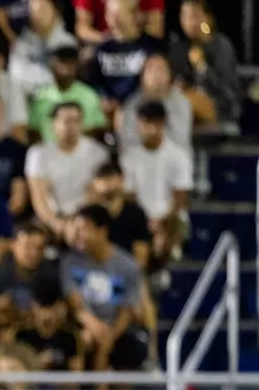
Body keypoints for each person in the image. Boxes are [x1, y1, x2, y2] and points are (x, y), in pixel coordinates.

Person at [61, 203, 146, 390]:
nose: (77, 234)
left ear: (102, 231)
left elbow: (129, 309)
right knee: (83, 341)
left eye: (83, 229)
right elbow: (75, 305)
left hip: (116, 328)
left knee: (136, 348)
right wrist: (96, 328)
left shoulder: (126, 264)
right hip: (85, 328)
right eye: (74, 228)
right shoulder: (70, 262)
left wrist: (111, 333)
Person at [119, 100, 191, 269]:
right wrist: (147, 221)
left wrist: (162, 220)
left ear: (163, 124)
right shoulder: (129, 157)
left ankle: (168, 262)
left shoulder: (179, 156)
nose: (150, 129)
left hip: (170, 217)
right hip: (140, 217)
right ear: (138, 124)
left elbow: (180, 196)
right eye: (145, 123)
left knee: (174, 225)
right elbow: (130, 196)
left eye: (155, 123)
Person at [25, 102, 110, 243]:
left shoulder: (98, 153)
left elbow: (95, 193)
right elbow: (39, 196)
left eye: (76, 121)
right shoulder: (38, 153)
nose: (70, 126)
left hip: (85, 217)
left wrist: (77, 224)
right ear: (54, 124)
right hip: (52, 218)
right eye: (65, 121)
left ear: (82, 124)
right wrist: (55, 223)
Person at [169, 0, 239, 124]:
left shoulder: (221, 46)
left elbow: (227, 92)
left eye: (195, 15)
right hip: (185, 113)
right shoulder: (178, 48)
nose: (190, 22)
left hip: (220, 110)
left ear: (208, 18)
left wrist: (202, 67)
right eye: (185, 16)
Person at [28, 44, 106, 143]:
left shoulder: (88, 95)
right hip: (47, 152)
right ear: (52, 66)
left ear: (76, 67)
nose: (64, 70)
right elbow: (34, 130)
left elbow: (95, 129)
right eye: (60, 64)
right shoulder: (40, 95)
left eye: (69, 65)